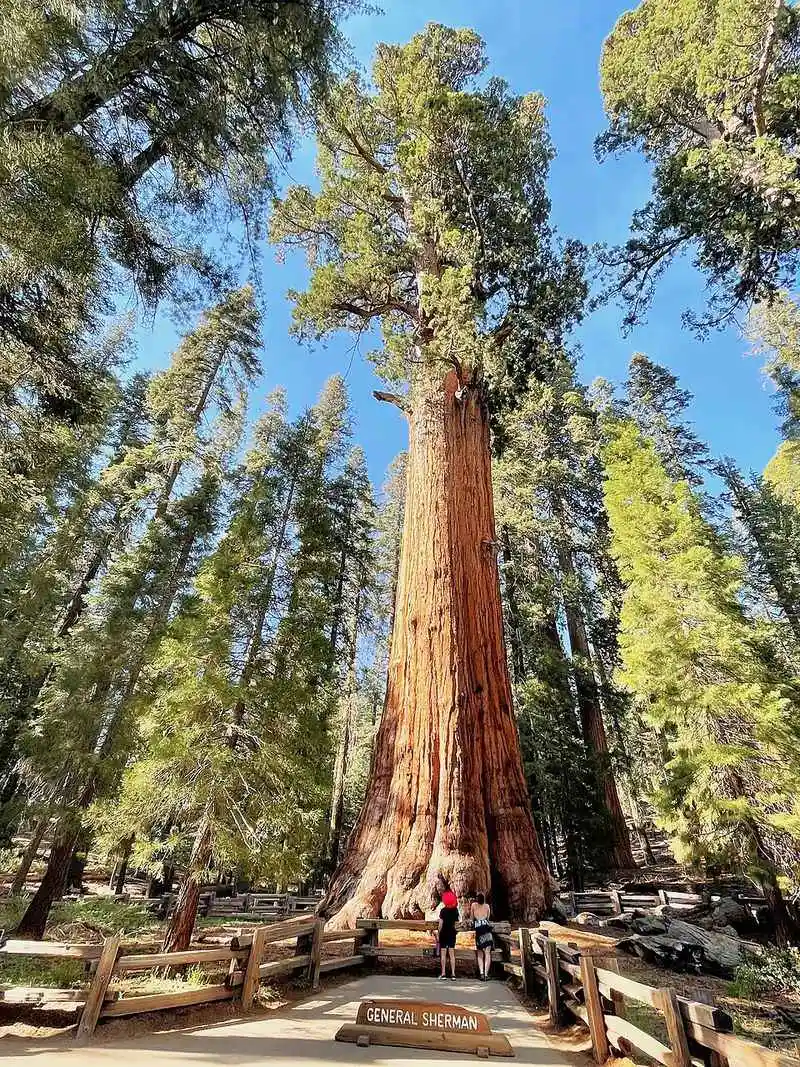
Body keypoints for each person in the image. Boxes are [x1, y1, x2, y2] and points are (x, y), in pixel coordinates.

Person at [470, 892, 493, 981]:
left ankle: (481, 973)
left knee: (480, 952)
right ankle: (486, 975)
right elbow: (488, 918)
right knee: (487, 952)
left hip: (478, 929)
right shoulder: (487, 906)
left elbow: (472, 918)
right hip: (486, 929)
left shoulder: (473, 905)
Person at [437, 890, 459, 981]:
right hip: (452, 933)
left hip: (444, 933)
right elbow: (457, 924)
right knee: (451, 954)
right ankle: (453, 974)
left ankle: (443, 974)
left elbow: (440, 925)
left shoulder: (443, 911)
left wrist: (438, 933)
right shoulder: (455, 911)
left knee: (443, 954)